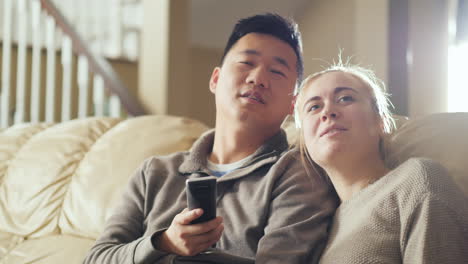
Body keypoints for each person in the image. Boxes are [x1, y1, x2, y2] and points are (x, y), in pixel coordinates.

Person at [84, 13, 338, 264]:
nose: (258, 78)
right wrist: (163, 243)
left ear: (293, 104)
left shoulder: (300, 173)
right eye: (247, 63)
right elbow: (96, 258)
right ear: (216, 79)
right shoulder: (154, 173)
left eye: (277, 72)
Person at [295, 60, 468, 263]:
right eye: (314, 107)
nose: (328, 112)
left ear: (381, 121)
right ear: (304, 138)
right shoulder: (314, 224)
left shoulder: (417, 180)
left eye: (345, 98)